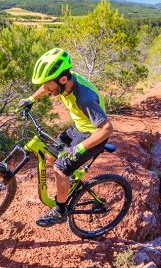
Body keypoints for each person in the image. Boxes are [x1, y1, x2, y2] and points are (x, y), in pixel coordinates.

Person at [18, 48, 113, 227]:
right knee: (51, 155)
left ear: (62, 80)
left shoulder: (83, 98)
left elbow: (107, 129)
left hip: (93, 135)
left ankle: (61, 210)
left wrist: (80, 148)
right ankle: (69, 181)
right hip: (78, 127)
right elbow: (47, 86)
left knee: (60, 168)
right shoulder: (64, 80)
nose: (46, 89)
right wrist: (31, 99)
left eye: (48, 86)